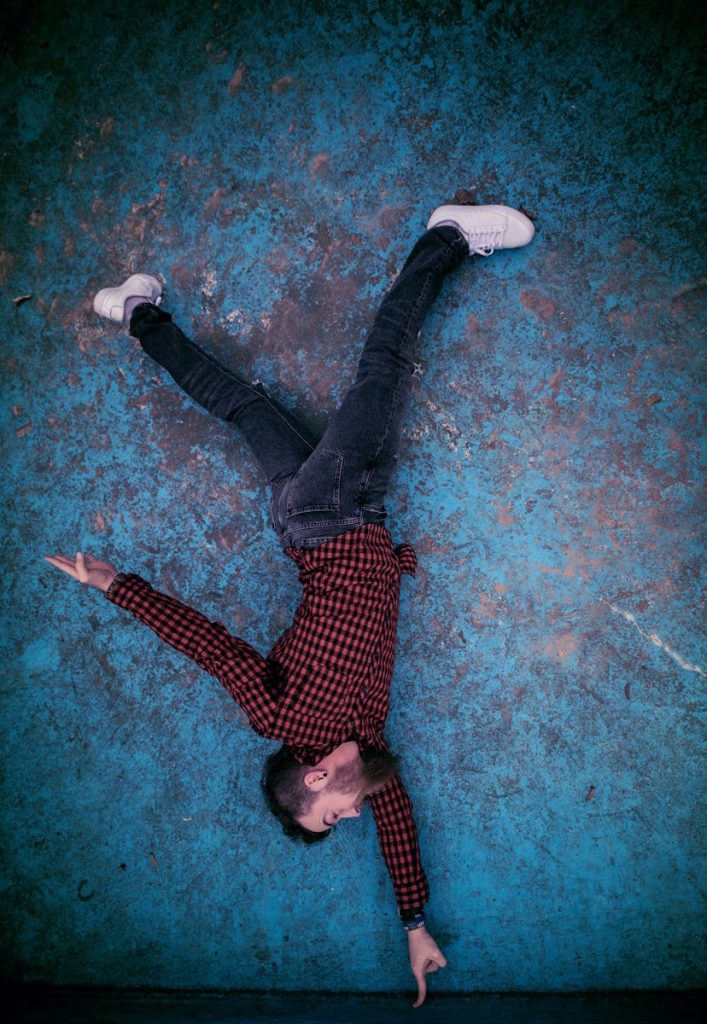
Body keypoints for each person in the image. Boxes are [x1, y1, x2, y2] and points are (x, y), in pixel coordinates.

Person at [45, 203, 535, 1006]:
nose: (349, 815)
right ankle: (136, 310)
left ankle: (445, 236)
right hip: (344, 522)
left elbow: (206, 644)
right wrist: (413, 924)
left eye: (329, 817)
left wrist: (114, 583)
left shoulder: (277, 714)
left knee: (384, 368)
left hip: (328, 510)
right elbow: (398, 831)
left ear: (313, 778)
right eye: (341, 822)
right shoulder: (367, 737)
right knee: (241, 403)